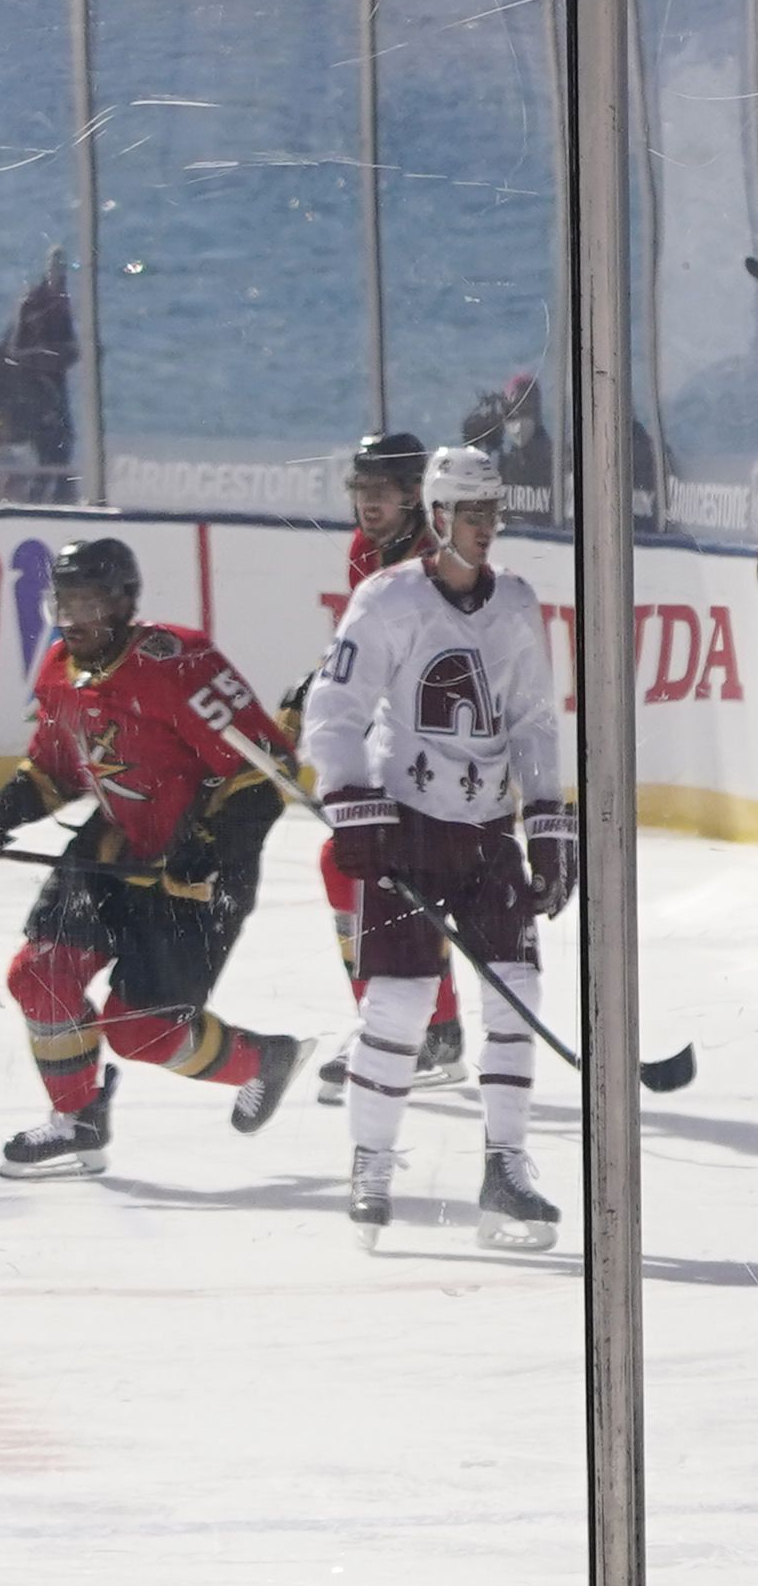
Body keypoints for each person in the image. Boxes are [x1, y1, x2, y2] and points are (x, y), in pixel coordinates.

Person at [0, 536, 309, 1180]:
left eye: (90, 604)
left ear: (125, 603)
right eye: (64, 605)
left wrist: (211, 849)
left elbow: (264, 774)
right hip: (116, 845)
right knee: (39, 973)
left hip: (197, 875)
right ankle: (76, 1121)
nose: (75, 621)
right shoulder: (61, 672)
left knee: (140, 1032)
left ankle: (263, 1060)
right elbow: (54, 773)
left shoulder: (180, 661)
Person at [308, 448, 572, 1252]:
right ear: (438, 515)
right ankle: (372, 1164)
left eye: (493, 510)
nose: (486, 526)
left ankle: (506, 1165)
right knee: (397, 1003)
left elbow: (532, 721)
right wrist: (352, 802)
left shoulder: (517, 603)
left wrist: (549, 824)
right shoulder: (387, 600)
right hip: (408, 826)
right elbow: (335, 706)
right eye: (470, 511)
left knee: (516, 991)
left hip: (487, 831)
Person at [294, 431, 465, 1088]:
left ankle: (419, 1028)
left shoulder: (440, 560)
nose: (370, 502)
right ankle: (418, 1027)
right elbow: (362, 645)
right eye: (362, 489)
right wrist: (322, 682)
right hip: (395, 735)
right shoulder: (365, 550)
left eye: (384, 490)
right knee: (352, 866)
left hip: (448, 743)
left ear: (413, 494)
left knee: (372, 866)